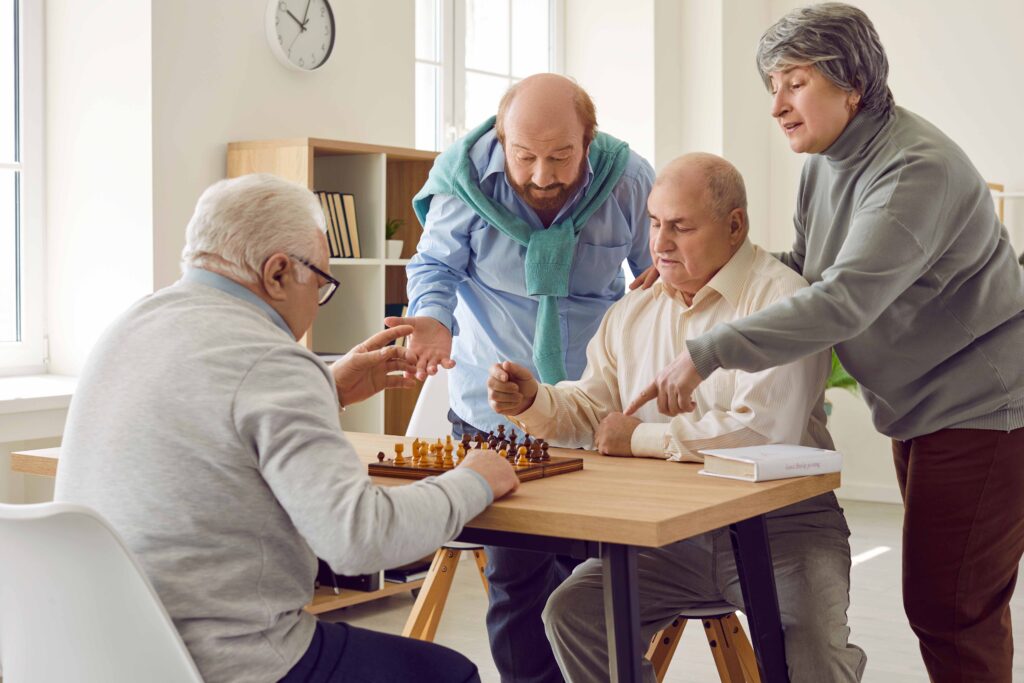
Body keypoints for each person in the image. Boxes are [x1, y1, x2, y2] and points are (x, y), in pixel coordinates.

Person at [626, 5, 1024, 681]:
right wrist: (705, 264)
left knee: (951, 607)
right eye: (771, 85)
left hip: (985, 406)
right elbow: (806, 273)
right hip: (925, 408)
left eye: (795, 82)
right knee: (951, 600)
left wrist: (708, 349)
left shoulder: (911, 172)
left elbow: (843, 300)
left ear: (853, 85)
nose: (777, 105)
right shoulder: (825, 161)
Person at [54, 174, 520, 683]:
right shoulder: (270, 359)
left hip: (101, 656)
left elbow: (212, 415)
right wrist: (475, 477)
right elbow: (360, 539)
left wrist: (324, 387)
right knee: (448, 673)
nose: (318, 297)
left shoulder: (132, 324)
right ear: (278, 273)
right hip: (229, 664)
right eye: (320, 282)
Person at [488, 153, 865, 683]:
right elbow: (596, 408)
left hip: (785, 530)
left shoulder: (782, 302)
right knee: (574, 612)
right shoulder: (634, 308)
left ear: (735, 226)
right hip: (669, 533)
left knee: (814, 656)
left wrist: (639, 438)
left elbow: (762, 434)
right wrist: (534, 402)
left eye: (681, 227)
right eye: (655, 223)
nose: (660, 243)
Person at [390, 73, 656, 682]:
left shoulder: (629, 179)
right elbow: (433, 263)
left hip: (591, 407)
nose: (542, 176)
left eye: (561, 156)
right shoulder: (463, 178)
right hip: (495, 414)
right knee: (517, 582)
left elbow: (655, 276)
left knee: (599, 576)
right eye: (524, 156)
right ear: (501, 138)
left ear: (590, 140)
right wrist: (431, 319)